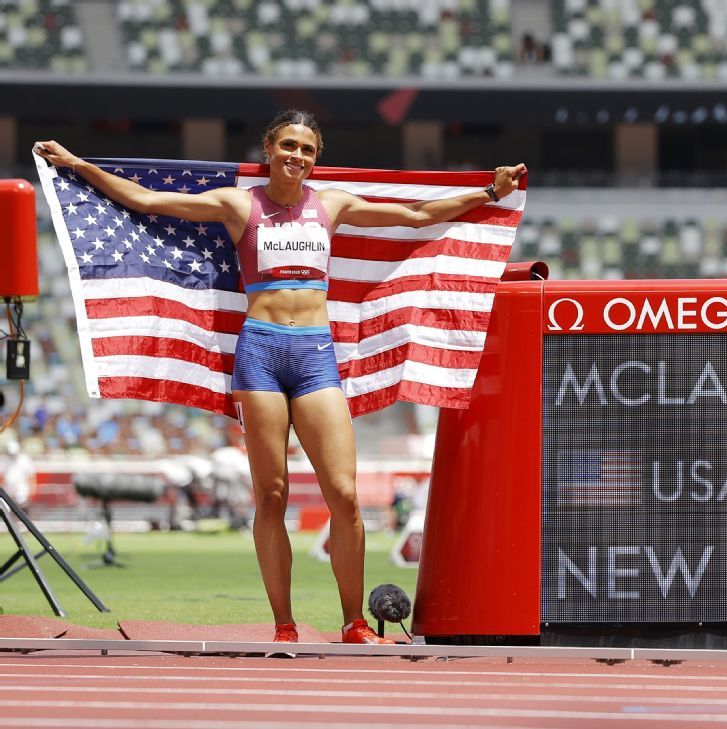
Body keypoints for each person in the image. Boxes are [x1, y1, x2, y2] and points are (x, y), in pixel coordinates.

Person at [34, 110, 527, 647]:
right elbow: (148, 201)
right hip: (260, 354)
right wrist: (77, 165)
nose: (298, 156)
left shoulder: (331, 204)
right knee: (271, 496)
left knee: (345, 496)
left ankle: (354, 624)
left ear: (316, 158)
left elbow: (416, 214)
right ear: (268, 149)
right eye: (289, 145)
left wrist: (489, 192)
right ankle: (284, 626)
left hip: (315, 354)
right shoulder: (238, 204)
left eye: (308, 149)